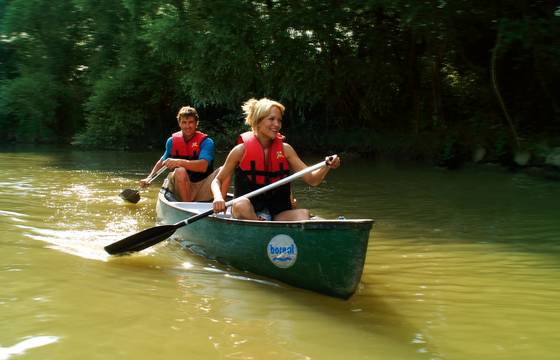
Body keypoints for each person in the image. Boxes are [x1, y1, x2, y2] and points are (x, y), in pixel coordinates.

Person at [211, 97, 340, 221]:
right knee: (241, 204)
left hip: (277, 212)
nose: (277, 124)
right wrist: (218, 197)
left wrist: (326, 166)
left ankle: (270, 229)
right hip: (248, 212)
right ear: (258, 121)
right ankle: (259, 226)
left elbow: (313, 180)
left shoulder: (285, 150)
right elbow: (217, 180)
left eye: (279, 120)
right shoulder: (240, 151)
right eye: (271, 119)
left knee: (303, 214)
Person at [140, 106, 229, 202]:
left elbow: (203, 166)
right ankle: (186, 205)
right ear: (179, 123)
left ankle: (220, 206)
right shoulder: (171, 142)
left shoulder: (207, 142)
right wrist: (149, 178)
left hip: (202, 186)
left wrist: (178, 162)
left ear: (196, 123)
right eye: (184, 122)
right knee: (180, 171)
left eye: (190, 122)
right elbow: (162, 161)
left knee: (225, 169)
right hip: (181, 187)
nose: (187, 126)